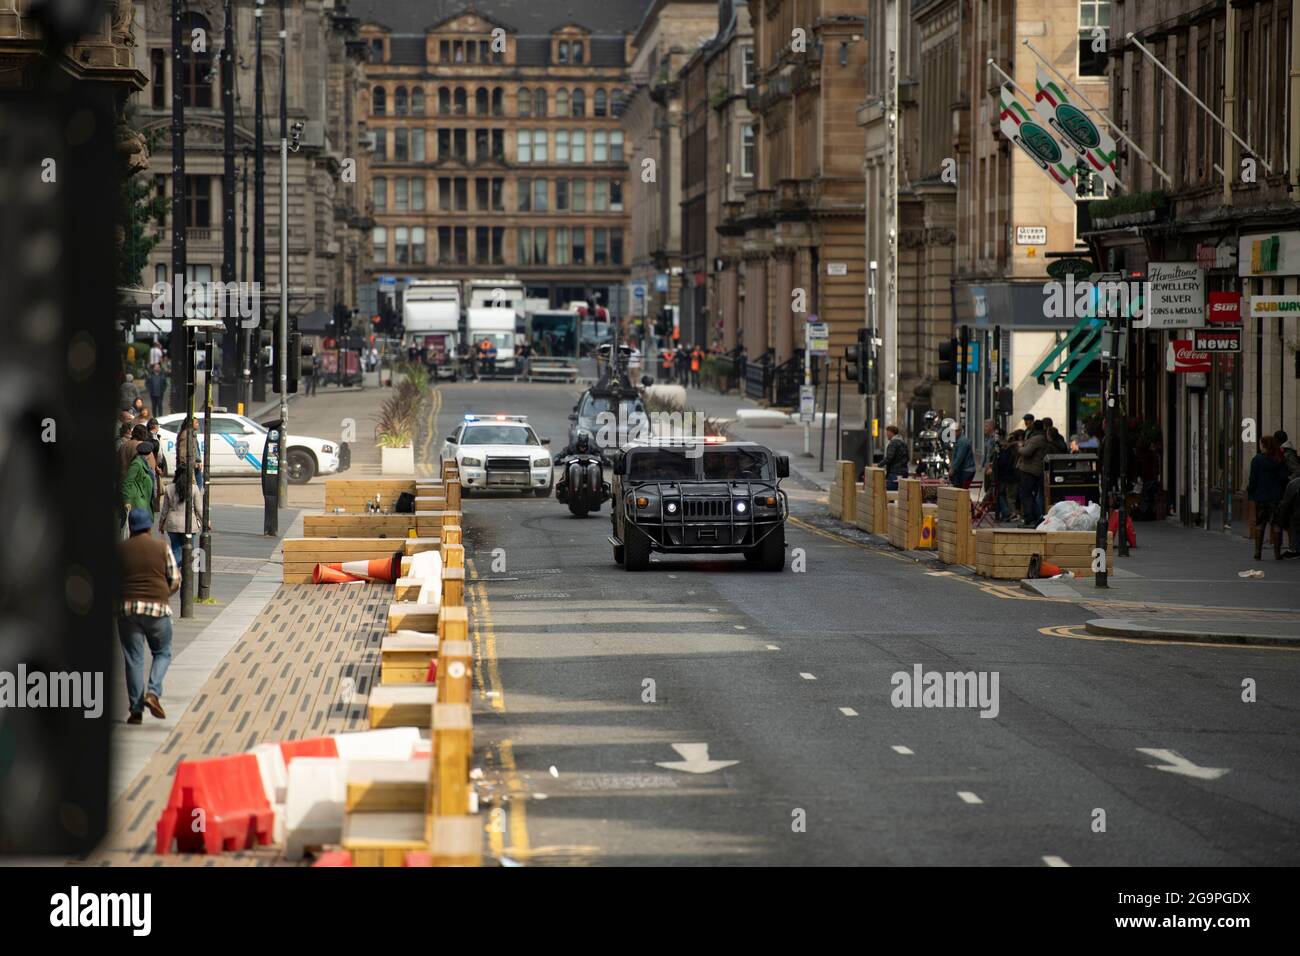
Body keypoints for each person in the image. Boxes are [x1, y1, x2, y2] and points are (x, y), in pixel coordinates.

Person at [117, 507, 179, 724]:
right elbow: (175, 578)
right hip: (157, 610)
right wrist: (164, 594)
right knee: (162, 652)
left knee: (133, 658)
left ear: (131, 527)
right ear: (148, 526)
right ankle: (153, 693)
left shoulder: (121, 550)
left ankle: (135, 710)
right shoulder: (161, 547)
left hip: (128, 610)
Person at [1247, 434, 1289, 560]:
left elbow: (1253, 479)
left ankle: (1257, 552)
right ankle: (1277, 553)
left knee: (1260, 524)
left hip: (1261, 497)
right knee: (1276, 524)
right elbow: (1283, 478)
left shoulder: (1257, 460)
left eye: (1261, 444)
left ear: (1263, 445)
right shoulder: (1279, 459)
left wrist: (1251, 491)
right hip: (1276, 497)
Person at [159, 467, 204, 570]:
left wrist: (161, 524)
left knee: (175, 549)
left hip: (172, 524)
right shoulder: (194, 488)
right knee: (188, 551)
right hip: (189, 525)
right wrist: (206, 522)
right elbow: (199, 509)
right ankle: (183, 574)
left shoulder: (169, 488)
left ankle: (173, 572)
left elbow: (165, 509)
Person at [1017, 420, 1048, 527]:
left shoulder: (1037, 438)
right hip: (1034, 469)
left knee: (1026, 494)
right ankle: (1033, 517)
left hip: (1030, 470)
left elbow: (1027, 452)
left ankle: (1030, 518)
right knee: (1031, 495)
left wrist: (1020, 447)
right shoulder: (1040, 437)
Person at [176, 415, 204, 491]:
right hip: (190, 465)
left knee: (199, 485)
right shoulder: (186, 435)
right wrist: (192, 463)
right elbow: (183, 453)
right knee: (195, 487)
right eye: (196, 423)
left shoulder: (192, 434)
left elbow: (195, 450)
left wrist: (198, 461)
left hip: (195, 464)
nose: (198, 424)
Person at [949, 423, 975, 489]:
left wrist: (953, 469)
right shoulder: (958, 440)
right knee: (960, 490)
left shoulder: (962, 441)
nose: (952, 433)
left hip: (966, 470)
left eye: (954, 431)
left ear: (959, 431)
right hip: (965, 470)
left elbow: (959, 457)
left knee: (959, 490)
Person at [882, 424, 909, 490]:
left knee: (890, 494)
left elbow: (889, 458)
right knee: (902, 494)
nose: (886, 435)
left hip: (894, 473)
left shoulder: (893, 443)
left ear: (891, 433)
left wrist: (879, 465)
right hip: (904, 472)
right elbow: (907, 458)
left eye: (887, 432)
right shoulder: (903, 443)